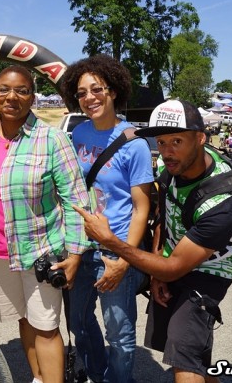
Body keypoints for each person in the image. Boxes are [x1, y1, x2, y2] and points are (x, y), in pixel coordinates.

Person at [73, 98, 232, 383]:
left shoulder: (223, 202)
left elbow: (175, 267)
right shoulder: (171, 172)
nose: (167, 151)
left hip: (208, 272)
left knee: (182, 356)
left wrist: (112, 242)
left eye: (177, 141)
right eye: (162, 142)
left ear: (201, 138)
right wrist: (156, 273)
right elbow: (161, 222)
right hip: (173, 259)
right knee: (193, 354)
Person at [0, 65, 90, 383]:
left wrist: (74, 254)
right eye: (4, 89)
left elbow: (77, 202)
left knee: (45, 327)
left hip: (39, 252)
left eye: (21, 90)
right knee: (24, 319)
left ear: (32, 97)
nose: (11, 97)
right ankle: (38, 378)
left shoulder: (52, 139)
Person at [59, 54, 154, 383]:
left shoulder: (134, 143)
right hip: (80, 247)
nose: (89, 98)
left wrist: (125, 259)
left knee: (120, 335)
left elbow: (142, 208)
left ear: (113, 91)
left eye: (96, 89)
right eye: (82, 93)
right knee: (79, 323)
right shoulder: (79, 134)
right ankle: (98, 376)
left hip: (114, 252)